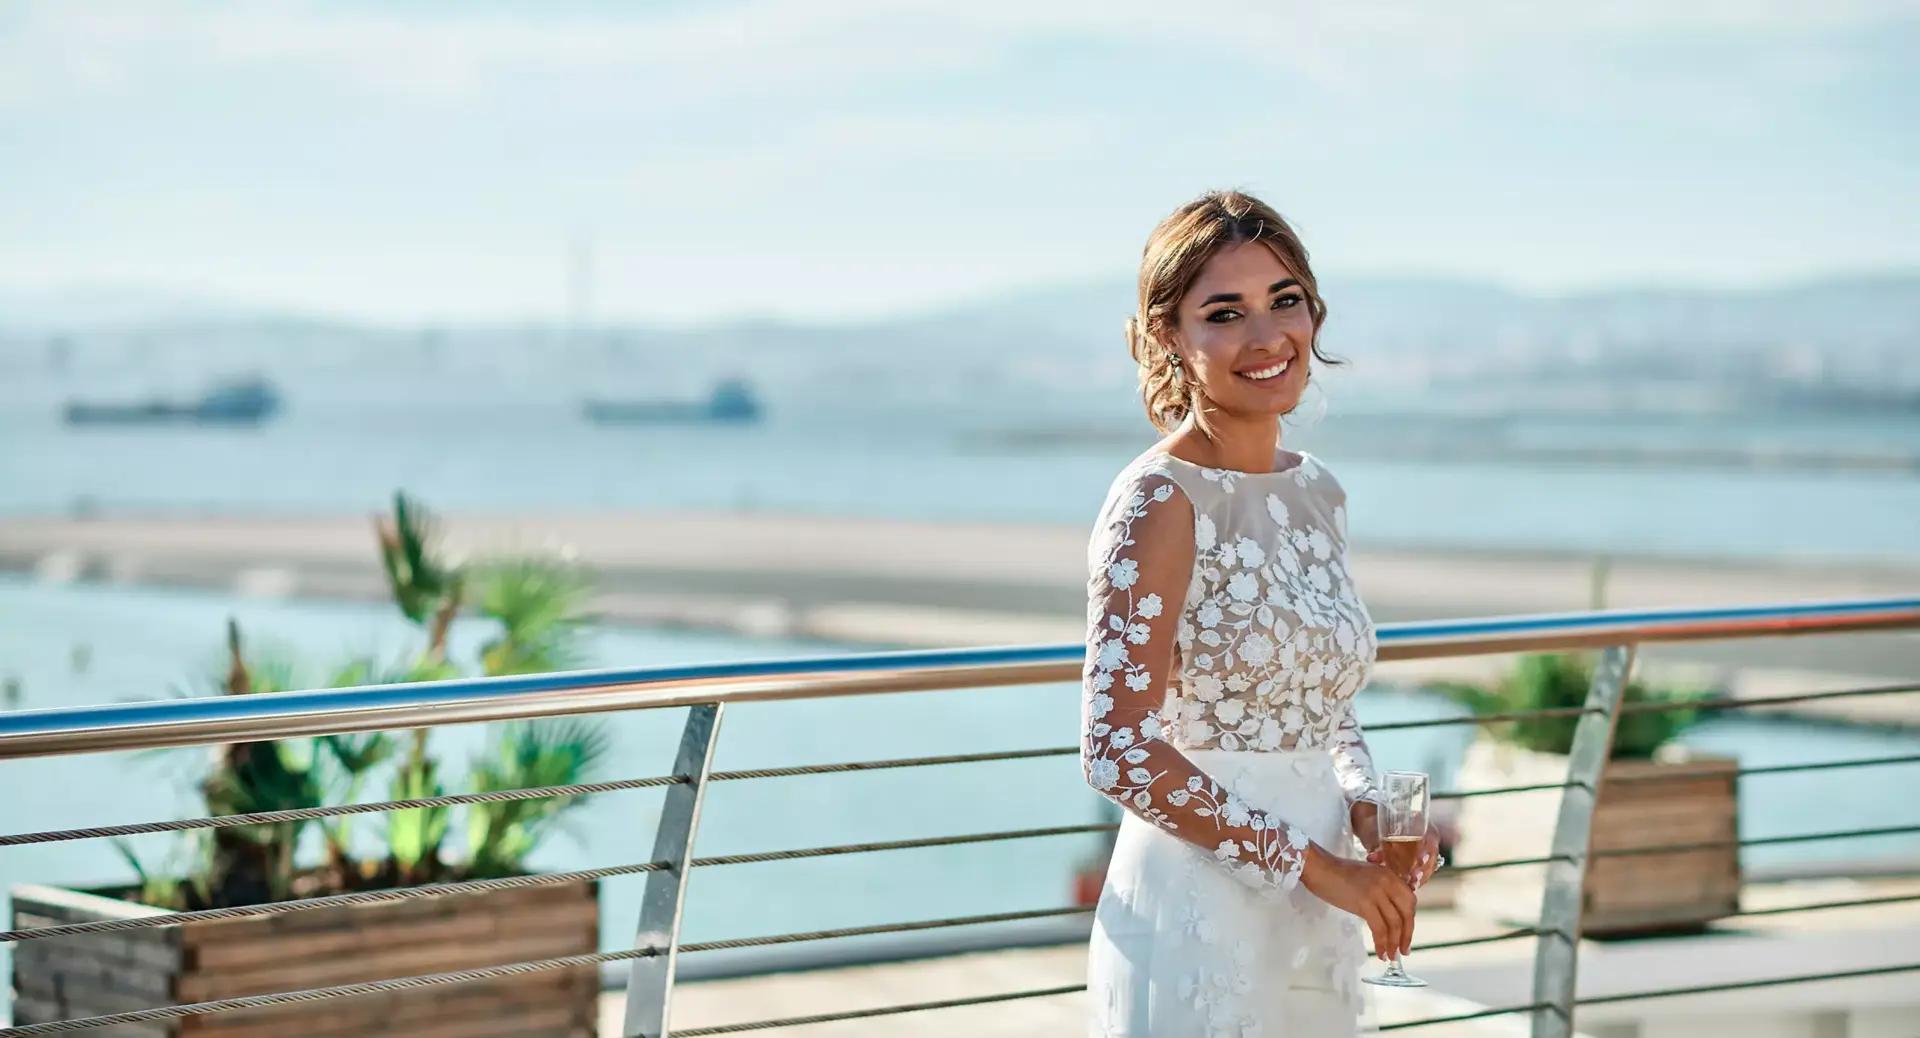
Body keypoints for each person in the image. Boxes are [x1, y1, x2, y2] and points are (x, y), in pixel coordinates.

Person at [1082, 189, 1441, 1035]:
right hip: (1199, 910)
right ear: (1169, 335)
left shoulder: (1318, 492)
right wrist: (1314, 865)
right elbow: (1117, 750)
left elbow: (1324, 705)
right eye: (1224, 313)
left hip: (1320, 909)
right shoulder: (1157, 502)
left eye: (1285, 301)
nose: (1267, 335)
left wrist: (1361, 801)